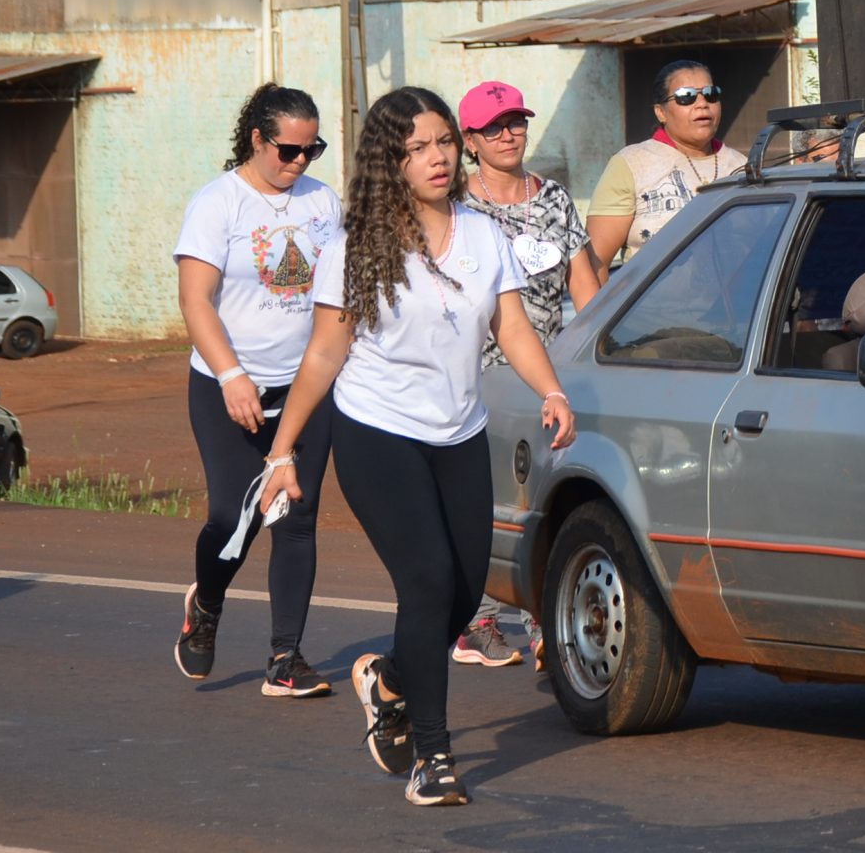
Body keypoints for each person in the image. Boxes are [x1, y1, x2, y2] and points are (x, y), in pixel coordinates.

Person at [257, 86, 577, 809]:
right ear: (389, 163)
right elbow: (322, 356)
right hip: (376, 435)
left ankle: (390, 678)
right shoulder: (355, 248)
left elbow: (514, 328)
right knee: (429, 582)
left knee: (464, 598)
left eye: (441, 142)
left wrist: (552, 391)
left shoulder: (484, 234)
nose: (435, 158)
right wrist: (282, 454)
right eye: (415, 148)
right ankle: (432, 756)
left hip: (458, 433)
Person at [171, 83, 341, 698]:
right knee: (232, 516)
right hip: (229, 385)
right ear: (257, 140)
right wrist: (231, 375)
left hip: (307, 386)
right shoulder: (220, 203)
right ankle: (208, 604)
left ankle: (284, 658)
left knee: (294, 516)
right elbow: (196, 302)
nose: (299, 162)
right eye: (288, 150)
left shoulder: (324, 203)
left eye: (312, 149)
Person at [449, 79, 598, 671]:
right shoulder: (456, 205)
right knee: (488, 496)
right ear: (470, 140)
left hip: (547, 372)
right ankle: (478, 619)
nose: (508, 133)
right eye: (493, 126)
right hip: (479, 374)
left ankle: (541, 616)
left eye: (516, 121)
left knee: (543, 489)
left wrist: (596, 354)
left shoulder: (554, 199)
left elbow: (585, 285)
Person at [585, 59, 747, 272]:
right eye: (686, 97)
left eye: (710, 94)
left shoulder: (742, 166)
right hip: (653, 306)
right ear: (660, 112)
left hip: (738, 304)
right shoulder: (632, 163)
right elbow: (595, 264)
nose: (702, 104)